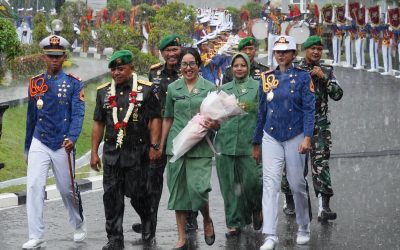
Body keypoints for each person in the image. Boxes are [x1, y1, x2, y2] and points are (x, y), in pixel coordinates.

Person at [90, 50, 162, 250]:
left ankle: (147, 219)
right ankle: (114, 238)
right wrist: (94, 152)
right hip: (112, 153)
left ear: (131, 68)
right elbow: (98, 123)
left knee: (138, 194)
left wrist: (155, 145)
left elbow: (155, 118)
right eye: (113, 69)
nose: (116, 73)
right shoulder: (103, 92)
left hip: (138, 152)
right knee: (111, 197)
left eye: (120, 68)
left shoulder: (146, 90)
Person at [23, 35, 86, 249]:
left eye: (58, 57)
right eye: (50, 56)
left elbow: (78, 113)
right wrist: (27, 147)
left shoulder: (74, 84)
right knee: (33, 185)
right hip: (39, 140)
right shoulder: (35, 83)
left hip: (62, 142)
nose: (54, 60)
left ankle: (78, 223)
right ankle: (36, 234)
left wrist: (73, 137)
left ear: (64, 57)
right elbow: (31, 116)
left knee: (67, 189)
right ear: (44, 57)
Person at [253, 35, 315, 250]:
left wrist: (307, 137)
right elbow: (261, 111)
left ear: (293, 54)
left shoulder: (303, 78)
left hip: (296, 134)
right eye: (277, 51)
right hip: (271, 135)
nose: (280, 55)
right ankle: (270, 235)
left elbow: (309, 109)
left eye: (285, 51)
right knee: (270, 185)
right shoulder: (266, 77)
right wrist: (256, 142)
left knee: (297, 184)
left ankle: (304, 226)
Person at [160, 47, 218, 249]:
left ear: (199, 65)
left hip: (200, 146)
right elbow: (168, 117)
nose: (188, 67)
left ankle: (207, 218)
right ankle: (181, 237)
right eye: (184, 64)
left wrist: (214, 125)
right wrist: (161, 144)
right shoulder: (174, 88)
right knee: (179, 193)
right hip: (177, 146)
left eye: (192, 63)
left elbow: (218, 118)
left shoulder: (210, 88)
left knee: (198, 189)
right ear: (180, 67)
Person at [281, 36, 343, 222]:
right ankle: (290, 200)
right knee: (293, 165)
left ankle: (324, 207)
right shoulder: (294, 69)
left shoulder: (326, 70)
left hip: (319, 125)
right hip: (296, 125)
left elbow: (338, 94)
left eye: (318, 48)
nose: (316, 52)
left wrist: (324, 79)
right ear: (304, 50)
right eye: (312, 48)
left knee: (321, 164)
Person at [215, 53, 263, 238]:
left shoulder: (257, 87)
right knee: (229, 186)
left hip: (248, 142)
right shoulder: (223, 89)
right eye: (236, 65)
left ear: (248, 67)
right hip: (225, 143)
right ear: (231, 68)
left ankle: (256, 209)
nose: (239, 68)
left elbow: (262, 115)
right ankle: (234, 223)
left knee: (252, 183)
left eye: (243, 65)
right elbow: (216, 114)